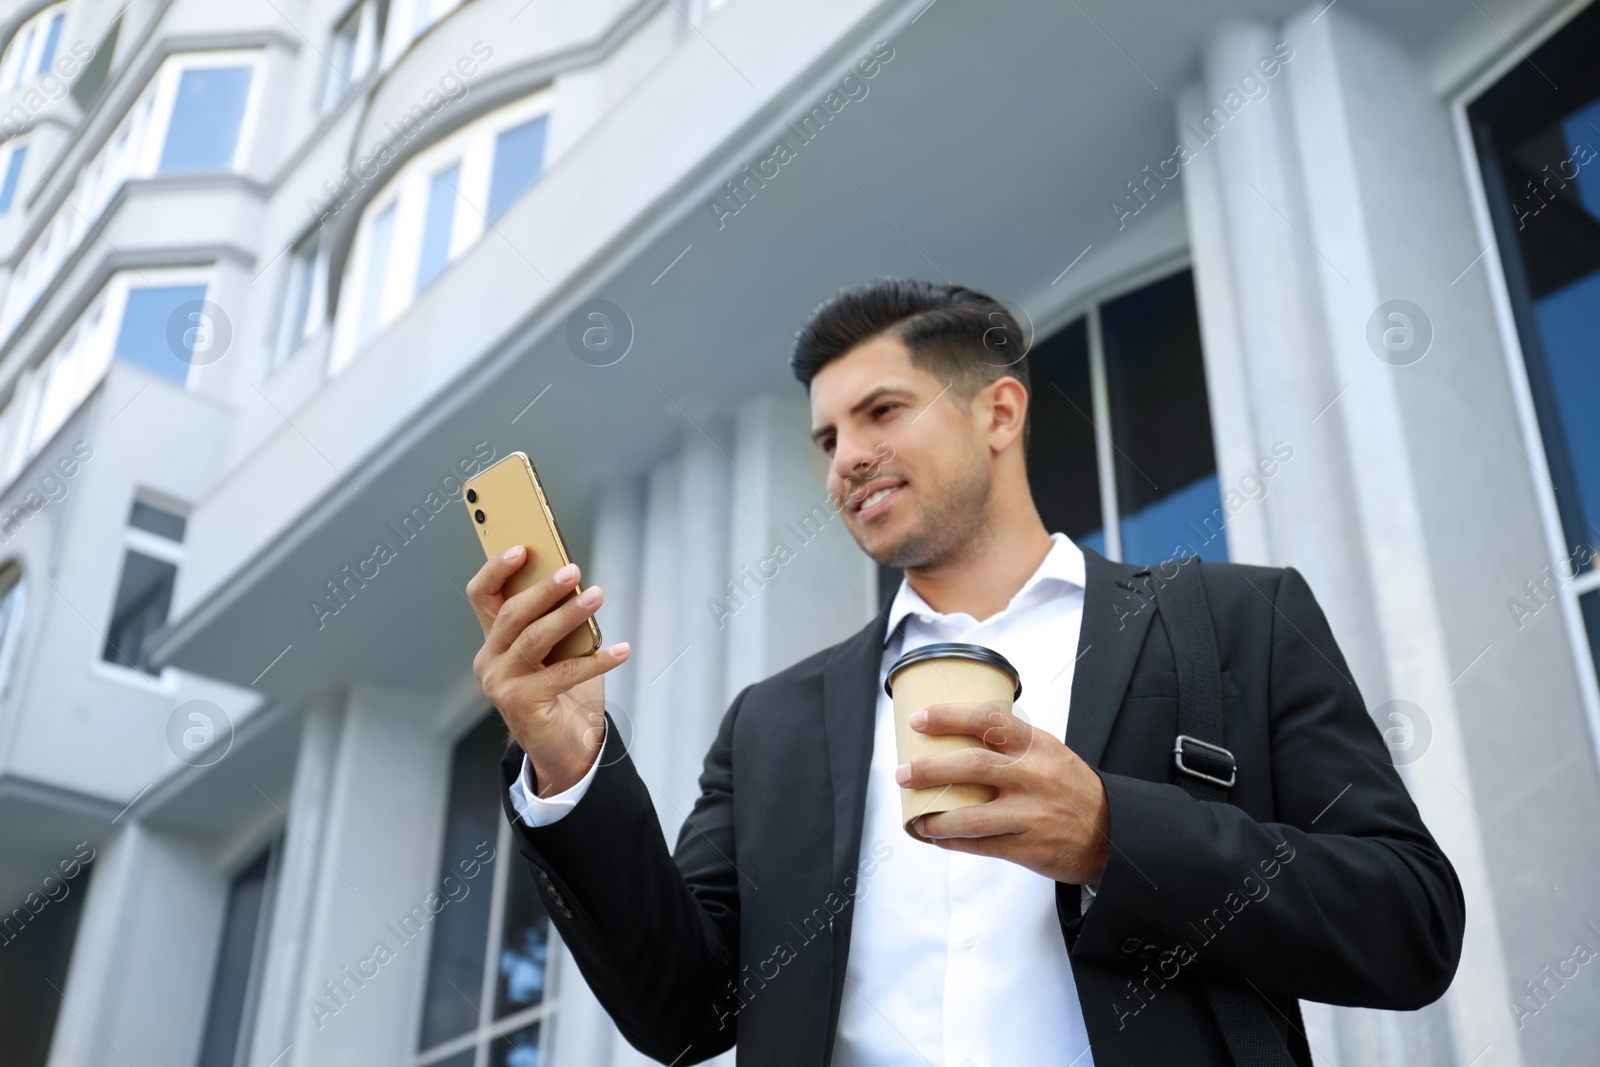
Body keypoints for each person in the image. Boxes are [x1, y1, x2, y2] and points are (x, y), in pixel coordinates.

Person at [466, 278, 1464, 1066]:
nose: (845, 459)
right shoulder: (771, 722)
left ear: (998, 412)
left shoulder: (1232, 620)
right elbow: (682, 1010)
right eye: (826, 437)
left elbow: (1407, 920)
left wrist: (1116, 837)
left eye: (882, 411)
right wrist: (571, 763)